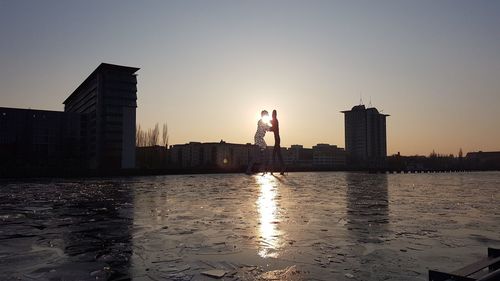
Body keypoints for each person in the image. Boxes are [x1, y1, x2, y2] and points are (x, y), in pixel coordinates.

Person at [246, 110, 271, 174]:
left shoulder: (263, 122)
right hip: (258, 138)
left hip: (260, 138)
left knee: (261, 153)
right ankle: (253, 169)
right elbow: (268, 128)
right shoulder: (261, 122)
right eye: (267, 115)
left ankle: (259, 168)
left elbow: (268, 128)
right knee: (263, 152)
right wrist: (274, 127)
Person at [270, 110, 285, 175]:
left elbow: (273, 128)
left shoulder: (275, 120)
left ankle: (273, 170)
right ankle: (281, 168)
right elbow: (273, 127)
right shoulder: (274, 120)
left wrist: (268, 128)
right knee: (278, 155)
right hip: (277, 139)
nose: (272, 115)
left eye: (273, 114)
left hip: (277, 140)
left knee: (275, 155)